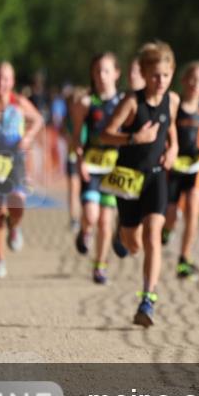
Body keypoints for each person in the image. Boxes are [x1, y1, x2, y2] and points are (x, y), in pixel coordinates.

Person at [100, 41, 179, 327]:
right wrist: (134, 139)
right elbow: (106, 135)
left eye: (166, 76)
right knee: (133, 243)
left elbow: (170, 128)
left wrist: (173, 149)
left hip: (156, 176)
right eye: (155, 75)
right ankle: (120, 236)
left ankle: (147, 299)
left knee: (153, 234)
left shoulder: (173, 100)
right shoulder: (132, 102)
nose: (161, 82)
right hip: (129, 177)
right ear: (144, 73)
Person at [0, 62, 45, 278]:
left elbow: (39, 120)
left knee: (17, 204)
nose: (0, 82)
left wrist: (28, 137)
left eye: (5, 78)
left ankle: (14, 226)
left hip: (16, 160)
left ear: (12, 82)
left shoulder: (20, 103)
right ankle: (0, 260)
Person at [162, 61, 199, 279]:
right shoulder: (174, 104)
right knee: (170, 215)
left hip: (196, 165)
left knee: (193, 211)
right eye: (193, 79)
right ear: (184, 80)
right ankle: (167, 230)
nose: (196, 84)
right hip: (175, 165)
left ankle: (184, 258)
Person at [71, 53, 124, 284]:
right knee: (91, 215)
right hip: (91, 166)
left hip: (113, 169)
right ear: (92, 75)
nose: (102, 76)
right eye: (97, 71)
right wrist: (80, 160)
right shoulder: (85, 103)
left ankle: (100, 265)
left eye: (106, 71)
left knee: (106, 221)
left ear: (116, 73)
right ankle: (84, 231)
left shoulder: (124, 102)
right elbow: (76, 138)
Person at [62, 86, 88, 230]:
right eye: (73, 102)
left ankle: (85, 217)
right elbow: (64, 135)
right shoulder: (68, 121)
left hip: (87, 158)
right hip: (72, 157)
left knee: (84, 190)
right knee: (73, 188)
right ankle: (74, 219)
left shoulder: (88, 119)